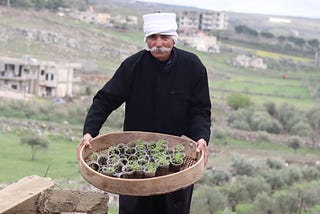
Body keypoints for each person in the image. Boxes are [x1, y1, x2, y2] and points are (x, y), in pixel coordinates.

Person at [77, 12, 211, 214]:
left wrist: (201, 138)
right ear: (146, 40)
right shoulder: (133, 66)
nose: (158, 43)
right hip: (135, 158)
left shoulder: (192, 66)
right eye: (152, 38)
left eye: (164, 38)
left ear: (174, 39)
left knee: (174, 207)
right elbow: (105, 100)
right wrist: (89, 132)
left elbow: (201, 110)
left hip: (178, 159)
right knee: (135, 208)